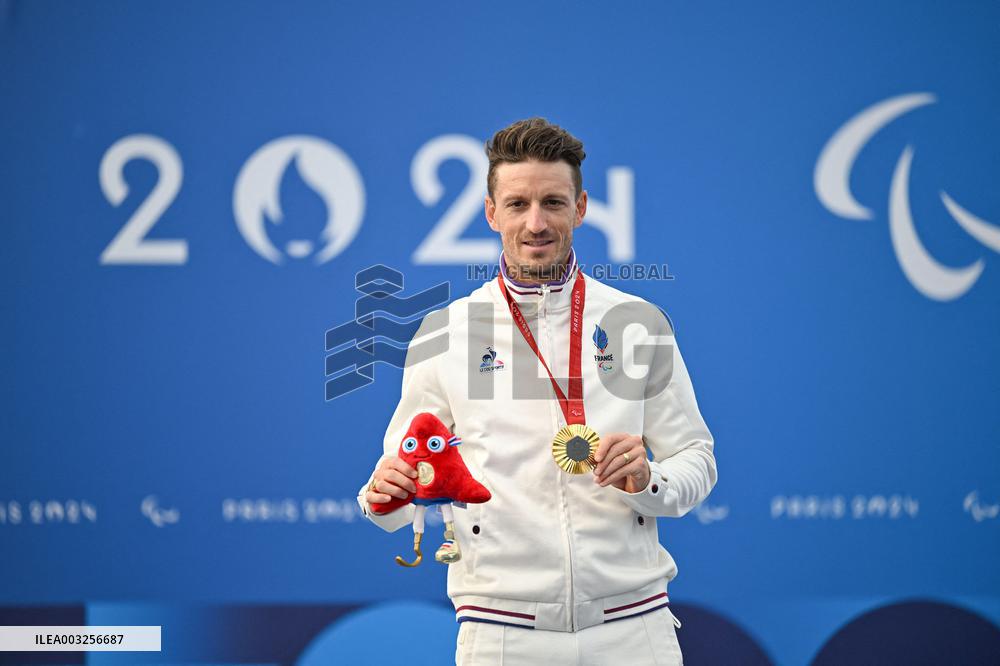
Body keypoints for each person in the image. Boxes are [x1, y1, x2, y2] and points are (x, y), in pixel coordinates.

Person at [357, 118, 717, 665]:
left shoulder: (636, 322)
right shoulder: (446, 332)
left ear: (581, 207)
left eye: (553, 202)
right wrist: (385, 495)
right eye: (518, 203)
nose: (536, 222)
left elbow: (697, 459)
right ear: (490, 212)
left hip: (633, 628)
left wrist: (651, 479)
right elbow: (401, 484)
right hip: (502, 633)